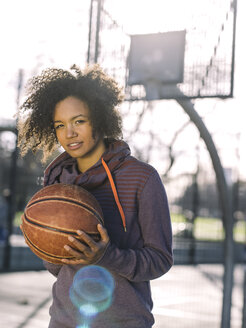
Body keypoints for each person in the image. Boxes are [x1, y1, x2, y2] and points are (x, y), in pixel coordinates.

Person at [17, 64, 173, 328]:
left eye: (79, 121)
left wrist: (106, 256)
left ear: (100, 119)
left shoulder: (142, 178)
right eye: (59, 125)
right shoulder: (56, 180)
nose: (69, 133)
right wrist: (46, 242)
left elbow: (160, 260)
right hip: (63, 320)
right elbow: (57, 265)